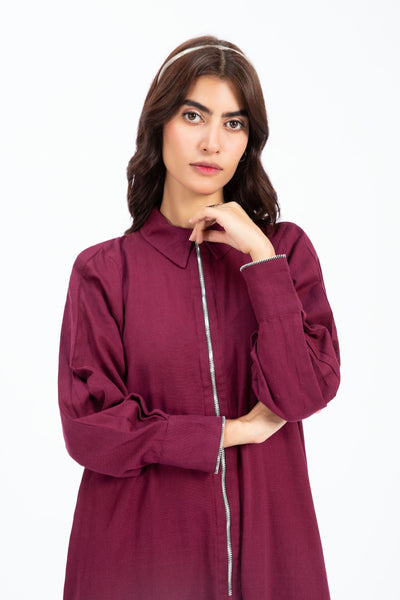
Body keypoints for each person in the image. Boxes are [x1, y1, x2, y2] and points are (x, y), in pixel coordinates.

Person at [58, 35, 340, 600]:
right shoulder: (104, 271)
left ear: (248, 142)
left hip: (272, 559)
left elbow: (304, 392)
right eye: (193, 116)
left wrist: (260, 258)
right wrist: (226, 434)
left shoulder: (283, 254)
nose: (212, 141)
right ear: (159, 124)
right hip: (138, 560)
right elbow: (91, 429)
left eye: (233, 124)